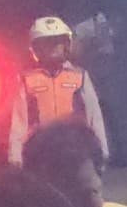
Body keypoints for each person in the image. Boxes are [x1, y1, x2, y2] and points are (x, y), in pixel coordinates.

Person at [6, 13, 108, 167]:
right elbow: (19, 121)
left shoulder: (79, 76)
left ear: (66, 45)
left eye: (57, 42)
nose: (53, 47)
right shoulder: (27, 79)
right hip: (40, 154)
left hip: (75, 152)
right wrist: (15, 155)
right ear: (36, 48)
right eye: (47, 42)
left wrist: (102, 150)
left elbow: (94, 116)